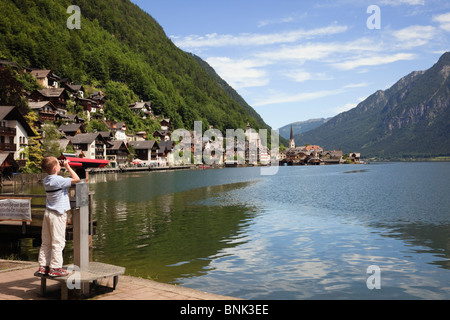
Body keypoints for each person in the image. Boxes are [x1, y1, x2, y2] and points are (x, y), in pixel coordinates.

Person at [37, 157, 80, 277]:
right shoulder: (58, 180)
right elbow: (77, 179)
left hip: (48, 213)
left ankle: (43, 266)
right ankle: (55, 268)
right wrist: (68, 167)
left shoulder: (46, 180)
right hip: (58, 214)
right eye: (59, 165)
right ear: (55, 168)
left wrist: (59, 165)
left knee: (46, 241)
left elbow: (55, 175)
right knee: (58, 242)